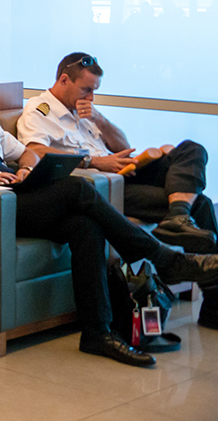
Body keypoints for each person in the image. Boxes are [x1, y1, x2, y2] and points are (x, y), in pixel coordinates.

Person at [0, 51, 218, 367]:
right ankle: (165, 258)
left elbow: (27, 153)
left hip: (13, 196)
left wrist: (25, 170)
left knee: (85, 226)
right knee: (78, 188)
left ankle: (97, 333)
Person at [16, 51, 218, 329]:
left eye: (95, 91)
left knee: (192, 150)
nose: (91, 97)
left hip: (124, 171)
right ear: (63, 80)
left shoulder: (86, 110)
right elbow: (35, 151)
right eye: (86, 89)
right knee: (202, 203)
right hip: (104, 185)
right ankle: (214, 305)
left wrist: (100, 120)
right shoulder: (39, 110)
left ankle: (178, 215)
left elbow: (123, 145)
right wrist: (95, 161)